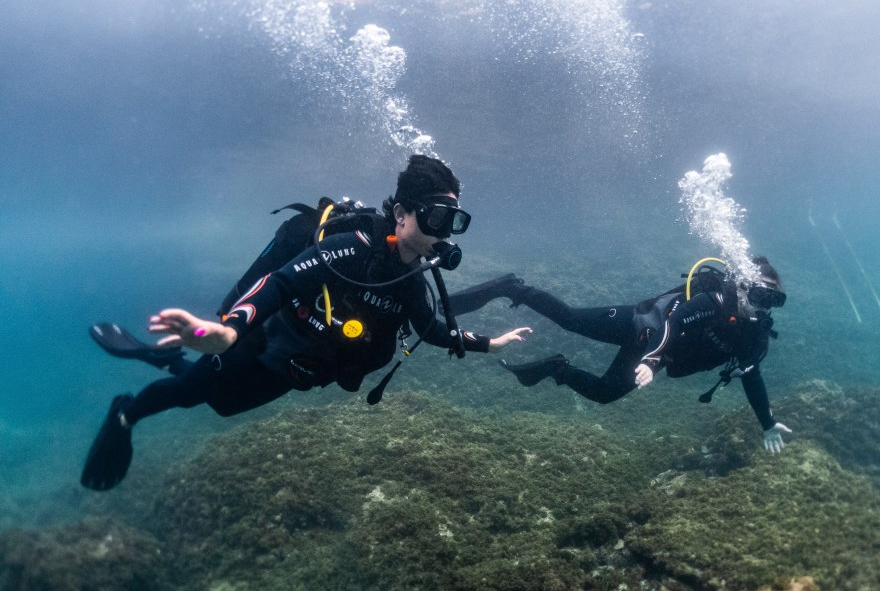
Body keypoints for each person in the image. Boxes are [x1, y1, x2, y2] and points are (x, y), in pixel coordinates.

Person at [82, 155, 531, 491]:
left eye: (454, 221)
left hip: (294, 370)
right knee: (187, 393)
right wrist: (227, 331)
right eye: (436, 217)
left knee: (221, 404)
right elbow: (279, 283)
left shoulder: (411, 281)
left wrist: (488, 343)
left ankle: (166, 358)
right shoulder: (353, 246)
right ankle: (127, 412)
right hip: (260, 342)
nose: (444, 232)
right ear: (401, 213)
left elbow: (432, 329)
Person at [456, 257, 792, 453]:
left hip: (654, 356)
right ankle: (512, 288)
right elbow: (673, 322)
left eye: (773, 301)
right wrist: (652, 358)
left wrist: (766, 424)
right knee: (570, 319)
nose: (762, 307)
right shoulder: (712, 302)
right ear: (742, 286)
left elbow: (751, 374)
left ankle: (556, 368)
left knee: (604, 394)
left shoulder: (754, 336)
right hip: (639, 325)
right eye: (759, 295)